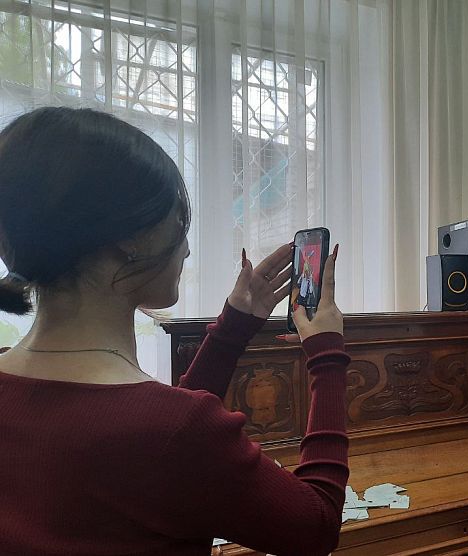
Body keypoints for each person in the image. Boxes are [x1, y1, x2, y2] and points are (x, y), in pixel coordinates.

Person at [0, 107, 349, 555]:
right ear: (131, 239)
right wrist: (326, 352)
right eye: (178, 224)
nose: (184, 249)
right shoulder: (174, 431)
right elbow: (316, 525)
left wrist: (234, 326)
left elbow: (155, 443)